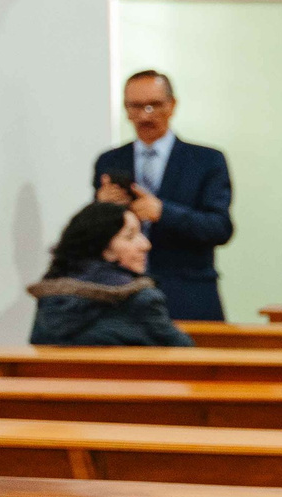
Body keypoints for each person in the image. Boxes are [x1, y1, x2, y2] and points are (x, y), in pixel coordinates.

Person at [92, 70, 233, 321]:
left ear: (172, 105)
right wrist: (101, 209)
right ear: (125, 109)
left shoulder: (207, 161)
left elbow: (220, 228)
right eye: (135, 106)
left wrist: (163, 212)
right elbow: (93, 239)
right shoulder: (110, 161)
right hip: (122, 294)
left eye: (154, 105)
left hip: (188, 294)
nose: (145, 115)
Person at [27, 201, 193, 346]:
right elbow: (185, 356)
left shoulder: (51, 298)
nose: (146, 244)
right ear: (105, 249)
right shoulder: (142, 301)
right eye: (130, 236)